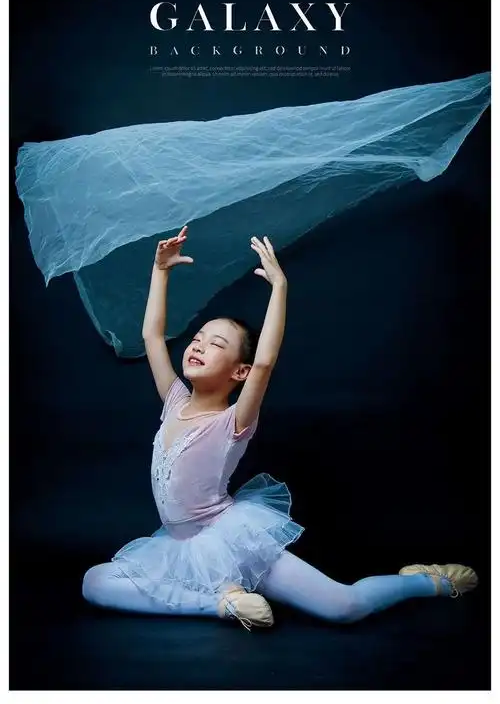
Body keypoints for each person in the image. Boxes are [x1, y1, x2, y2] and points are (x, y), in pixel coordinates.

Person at [82, 226, 478, 630]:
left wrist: (279, 287)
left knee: (344, 607)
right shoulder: (174, 402)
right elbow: (152, 335)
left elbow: (265, 362)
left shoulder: (233, 421)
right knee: (95, 582)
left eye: (216, 344)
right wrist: (161, 271)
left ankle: (427, 582)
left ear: (240, 372)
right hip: (180, 547)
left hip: (231, 540)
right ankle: (221, 603)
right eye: (198, 338)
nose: (199, 345)